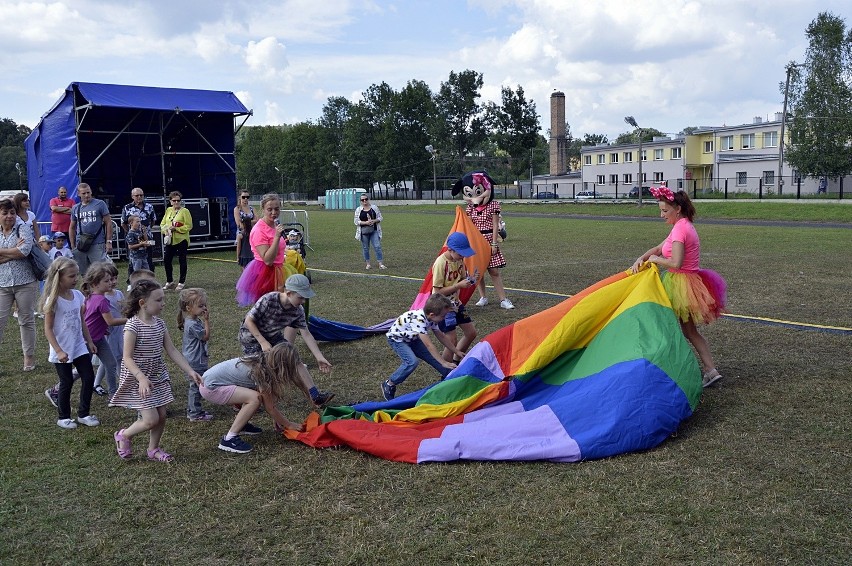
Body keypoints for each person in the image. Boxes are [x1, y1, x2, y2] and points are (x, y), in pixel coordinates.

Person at [631, 186, 727, 388]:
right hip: (684, 283)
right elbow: (658, 248)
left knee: (677, 329)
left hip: (682, 284)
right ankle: (710, 370)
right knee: (688, 331)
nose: (661, 215)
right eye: (660, 210)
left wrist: (656, 260)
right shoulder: (680, 226)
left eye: (665, 211)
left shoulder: (681, 229)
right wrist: (642, 257)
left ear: (678, 209)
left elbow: (675, 262)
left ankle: (700, 369)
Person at [110, 279, 202, 462]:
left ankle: (153, 449)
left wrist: (190, 370)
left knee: (161, 416)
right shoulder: (132, 326)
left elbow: (172, 350)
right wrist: (141, 378)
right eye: (158, 300)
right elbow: (127, 357)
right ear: (143, 303)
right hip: (139, 379)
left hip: (158, 375)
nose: (163, 303)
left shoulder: (160, 324)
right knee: (150, 419)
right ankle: (124, 435)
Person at [238, 274, 334, 407]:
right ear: (289, 293)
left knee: (293, 358)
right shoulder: (269, 299)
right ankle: (242, 398)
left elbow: (306, 334)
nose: (303, 301)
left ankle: (315, 396)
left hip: (272, 336)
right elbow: (249, 320)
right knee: (259, 369)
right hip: (252, 337)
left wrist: (319, 357)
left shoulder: (298, 310)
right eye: (300, 297)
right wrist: (262, 342)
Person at [201, 342, 306, 454]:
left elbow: (270, 399)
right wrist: (288, 424)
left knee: (256, 395)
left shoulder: (264, 360)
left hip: (211, 382)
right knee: (254, 399)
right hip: (211, 388)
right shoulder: (263, 371)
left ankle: (242, 424)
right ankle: (229, 439)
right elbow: (269, 407)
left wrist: (278, 419)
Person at [39, 257, 100, 429]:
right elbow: (48, 329)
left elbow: (82, 321)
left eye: (76, 275)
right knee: (66, 382)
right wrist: (58, 351)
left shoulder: (78, 296)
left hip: (79, 345)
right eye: (71, 276)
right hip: (62, 349)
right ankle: (63, 416)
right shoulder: (53, 300)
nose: (76, 279)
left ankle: (84, 414)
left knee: (89, 377)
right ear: (60, 277)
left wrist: (89, 341)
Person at [380, 293, 466, 401]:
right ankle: (389, 383)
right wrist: (443, 362)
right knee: (412, 362)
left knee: (436, 361)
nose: (444, 318)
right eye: (443, 316)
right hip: (398, 340)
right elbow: (429, 345)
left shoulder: (431, 318)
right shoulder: (419, 320)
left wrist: (456, 351)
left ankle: (449, 379)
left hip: (413, 339)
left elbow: (441, 336)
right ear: (432, 314)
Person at [452, 171, 514, 309]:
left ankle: (503, 299)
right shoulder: (469, 208)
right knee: (478, 272)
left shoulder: (493, 206)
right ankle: (483, 297)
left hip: (489, 239)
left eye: (478, 191)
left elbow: (495, 226)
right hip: (475, 242)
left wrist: (494, 243)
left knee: (494, 271)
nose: (476, 197)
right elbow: (467, 225)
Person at [75, 262, 126, 399]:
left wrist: (102, 329)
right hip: (88, 340)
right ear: (95, 284)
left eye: (111, 280)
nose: (110, 283)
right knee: (82, 370)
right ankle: (56, 389)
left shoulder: (91, 297)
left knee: (111, 363)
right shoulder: (101, 300)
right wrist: (132, 320)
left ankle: (113, 394)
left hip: (99, 338)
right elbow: (111, 321)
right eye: (107, 281)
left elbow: (90, 317)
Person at [0, 198, 38, 371]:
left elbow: (24, 251)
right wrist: (13, 251)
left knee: (26, 320)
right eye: (5, 213)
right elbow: (18, 251)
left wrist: (3, 254)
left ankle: (28, 358)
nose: (9, 216)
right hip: (2, 283)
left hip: (25, 282)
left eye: (12, 213)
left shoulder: (23, 227)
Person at [235, 193, 289, 306]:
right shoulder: (259, 230)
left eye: (276, 209)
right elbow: (268, 260)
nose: (274, 213)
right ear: (263, 209)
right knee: (268, 308)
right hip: (265, 273)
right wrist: (277, 237)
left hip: (279, 269)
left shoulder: (275, 225)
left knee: (280, 306)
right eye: (270, 209)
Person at [432, 231, 478, 363]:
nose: (462, 256)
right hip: (442, 306)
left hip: (456, 304)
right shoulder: (441, 263)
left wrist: (470, 280)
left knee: (471, 333)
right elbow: (437, 292)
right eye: (460, 253)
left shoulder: (459, 260)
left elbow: (462, 278)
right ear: (450, 249)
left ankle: (457, 360)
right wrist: (458, 286)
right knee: (451, 340)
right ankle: (446, 370)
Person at [178, 287, 214, 422]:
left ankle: (194, 409)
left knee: (196, 385)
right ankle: (194, 413)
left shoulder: (192, 321)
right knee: (195, 387)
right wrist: (206, 320)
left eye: (204, 305)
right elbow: (205, 336)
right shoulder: (192, 324)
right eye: (200, 306)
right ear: (189, 308)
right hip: (194, 361)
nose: (204, 308)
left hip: (195, 359)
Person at [68, 182, 113, 277]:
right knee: (85, 274)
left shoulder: (100, 204)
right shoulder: (76, 208)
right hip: (81, 244)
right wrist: (72, 245)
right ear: (78, 194)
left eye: (88, 192)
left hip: (97, 242)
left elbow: (108, 222)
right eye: (83, 193)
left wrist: (109, 241)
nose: (87, 195)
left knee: (99, 272)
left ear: (91, 192)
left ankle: (99, 291)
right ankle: (88, 291)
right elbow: (72, 227)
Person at [121, 188, 158, 287]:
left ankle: (150, 281)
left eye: (141, 195)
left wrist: (146, 231)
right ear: (132, 196)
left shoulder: (149, 206)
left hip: (148, 237)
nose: (139, 197)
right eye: (137, 195)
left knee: (149, 260)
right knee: (133, 261)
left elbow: (153, 221)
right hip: (133, 238)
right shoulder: (127, 207)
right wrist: (131, 233)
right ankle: (131, 283)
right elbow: (123, 223)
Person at [160, 191, 192, 291]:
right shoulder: (168, 210)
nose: (177, 202)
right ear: (170, 201)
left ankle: (181, 282)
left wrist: (177, 229)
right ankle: (169, 281)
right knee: (167, 259)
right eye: (174, 200)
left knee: (182, 260)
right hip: (170, 239)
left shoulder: (185, 211)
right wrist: (165, 231)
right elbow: (162, 224)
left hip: (181, 239)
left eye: (178, 200)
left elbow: (189, 226)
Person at [354, 194, 386, 270]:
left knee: (377, 246)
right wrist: (365, 223)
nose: (364, 201)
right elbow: (356, 221)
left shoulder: (374, 208)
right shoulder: (358, 210)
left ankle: (380, 264)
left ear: (368, 199)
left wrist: (373, 221)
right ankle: (368, 264)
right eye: (362, 200)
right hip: (364, 232)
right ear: (360, 201)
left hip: (374, 230)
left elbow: (380, 218)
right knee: (365, 248)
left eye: (366, 199)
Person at [233, 190, 257, 268]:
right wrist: (251, 222)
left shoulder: (252, 208)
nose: (245, 199)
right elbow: (238, 223)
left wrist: (246, 221)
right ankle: (239, 259)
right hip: (242, 233)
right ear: (240, 198)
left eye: (247, 197)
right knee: (242, 252)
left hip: (253, 233)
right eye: (243, 197)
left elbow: (257, 220)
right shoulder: (237, 209)